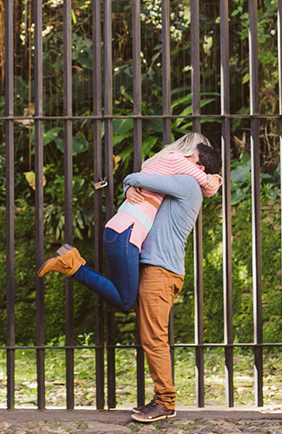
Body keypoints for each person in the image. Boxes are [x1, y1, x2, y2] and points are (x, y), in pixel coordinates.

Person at [37, 133, 222, 314]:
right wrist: (210, 179)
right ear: (188, 152)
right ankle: (73, 265)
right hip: (126, 231)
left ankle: (73, 263)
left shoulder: (168, 171)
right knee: (126, 301)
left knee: (126, 297)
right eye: (198, 157)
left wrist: (215, 179)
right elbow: (137, 178)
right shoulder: (176, 160)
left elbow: (201, 188)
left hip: (125, 232)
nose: (196, 163)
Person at [125, 140, 222, 423]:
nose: (178, 157)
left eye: (187, 155)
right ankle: (161, 398)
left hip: (160, 270)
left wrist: (130, 181)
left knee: (154, 338)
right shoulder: (180, 183)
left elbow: (140, 177)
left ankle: (165, 402)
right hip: (153, 267)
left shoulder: (188, 185)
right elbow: (142, 186)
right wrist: (130, 189)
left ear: (198, 167)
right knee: (149, 335)